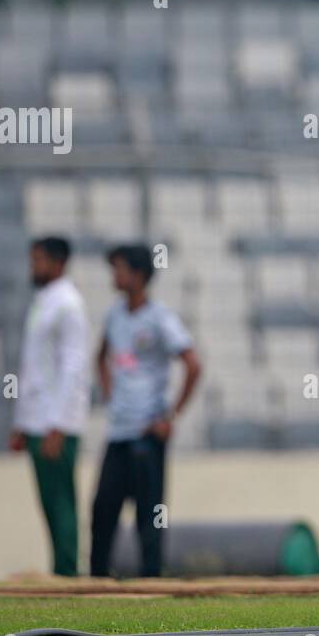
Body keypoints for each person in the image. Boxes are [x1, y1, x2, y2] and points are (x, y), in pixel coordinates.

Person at [90, 244, 201, 578]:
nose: (115, 276)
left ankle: (151, 580)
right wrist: (111, 394)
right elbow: (100, 357)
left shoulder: (160, 318)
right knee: (103, 509)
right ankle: (96, 581)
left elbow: (193, 365)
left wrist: (170, 416)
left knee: (149, 515)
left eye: (120, 269)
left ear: (138, 275)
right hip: (119, 431)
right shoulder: (114, 314)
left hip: (147, 434)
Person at [9, 236, 90, 577]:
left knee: (61, 503)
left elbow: (73, 367)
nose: (34, 267)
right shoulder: (44, 301)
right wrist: (21, 422)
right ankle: (60, 570)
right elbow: (34, 370)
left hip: (56, 423)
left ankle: (68, 573)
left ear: (58, 263)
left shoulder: (68, 305)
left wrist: (58, 424)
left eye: (40, 260)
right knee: (48, 502)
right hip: (37, 421)